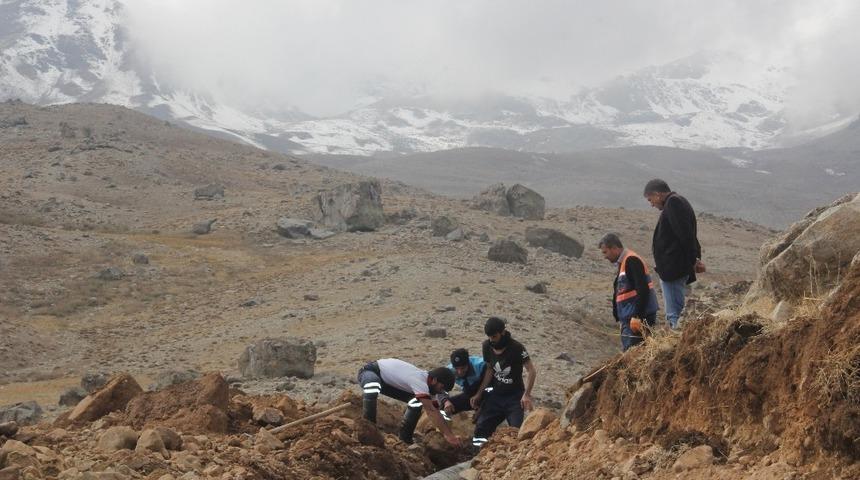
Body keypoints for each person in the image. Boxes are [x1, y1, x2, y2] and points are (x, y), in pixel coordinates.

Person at [357, 358, 462, 447]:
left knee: (417, 401)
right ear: (434, 380)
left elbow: (435, 410)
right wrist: (449, 436)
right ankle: (369, 429)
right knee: (372, 385)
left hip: (387, 382)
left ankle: (405, 439)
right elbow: (431, 411)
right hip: (369, 372)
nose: (441, 391)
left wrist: (448, 433)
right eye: (442, 387)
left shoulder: (428, 388)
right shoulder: (419, 380)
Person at [643, 179, 705, 329]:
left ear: (657, 195)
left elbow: (686, 235)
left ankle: (676, 344)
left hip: (673, 270)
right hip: (674, 268)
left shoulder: (673, 203)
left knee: (674, 313)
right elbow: (688, 234)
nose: (651, 204)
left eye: (650, 200)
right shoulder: (677, 202)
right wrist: (695, 258)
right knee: (675, 311)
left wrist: (694, 260)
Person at [469, 317, 537, 448]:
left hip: (515, 397)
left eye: (494, 336)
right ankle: (478, 456)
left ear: (502, 332)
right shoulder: (486, 346)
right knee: (481, 427)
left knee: (516, 431)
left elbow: (531, 370)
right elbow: (489, 370)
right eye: (489, 337)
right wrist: (479, 393)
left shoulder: (517, 348)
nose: (491, 340)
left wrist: (527, 394)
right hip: (496, 395)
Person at [599, 233, 659, 351]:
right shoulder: (625, 262)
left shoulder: (631, 260)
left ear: (615, 248)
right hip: (630, 319)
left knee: (634, 355)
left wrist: (637, 316)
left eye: (605, 252)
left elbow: (643, 289)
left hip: (637, 319)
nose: (605, 256)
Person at [443, 348, 487, 416]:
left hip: (486, 393)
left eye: (463, 368)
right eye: (456, 368)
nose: (460, 372)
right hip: (469, 394)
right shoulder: (448, 371)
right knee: (445, 406)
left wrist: (481, 404)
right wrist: (445, 401)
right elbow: (440, 389)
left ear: (468, 363)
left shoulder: (481, 365)